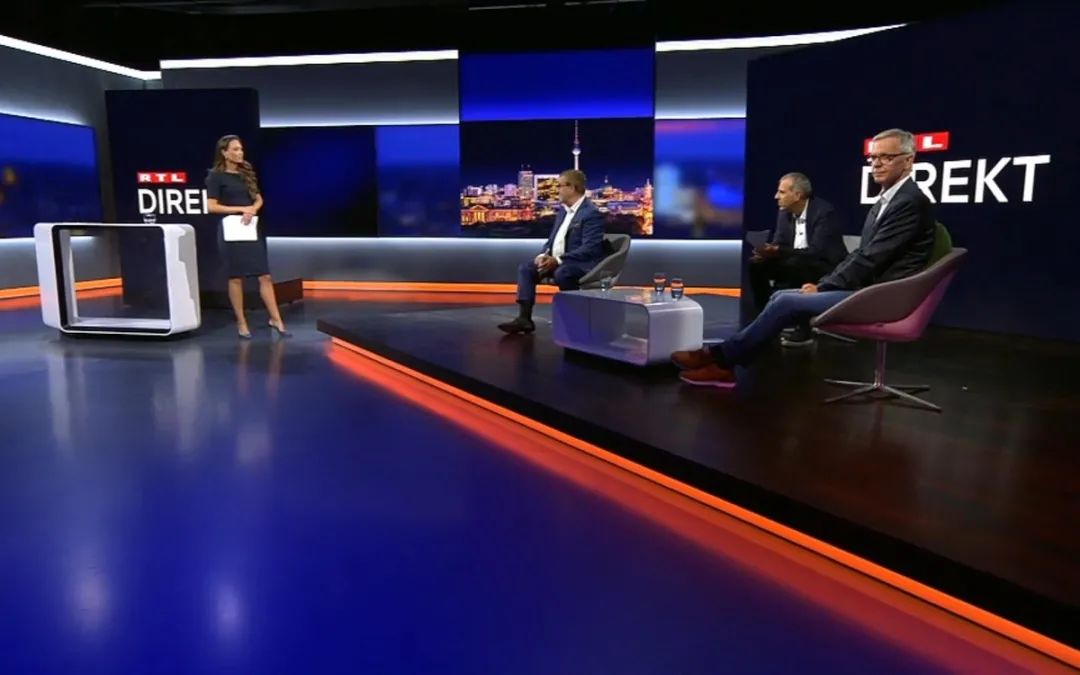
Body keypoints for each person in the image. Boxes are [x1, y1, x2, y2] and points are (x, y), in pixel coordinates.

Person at [673, 128, 936, 387]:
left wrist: (823, 286)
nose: (876, 164)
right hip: (867, 288)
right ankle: (726, 357)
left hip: (885, 296)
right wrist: (820, 282)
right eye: (873, 157)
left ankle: (721, 361)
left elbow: (869, 259)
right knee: (779, 296)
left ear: (908, 161)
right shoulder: (887, 200)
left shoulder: (909, 202)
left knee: (787, 301)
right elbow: (862, 253)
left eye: (886, 157)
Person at [498, 169, 605, 334]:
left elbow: (590, 248)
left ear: (572, 188)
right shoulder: (563, 211)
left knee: (563, 273)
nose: (557, 190)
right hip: (557, 261)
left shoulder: (591, 214)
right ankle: (524, 319)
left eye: (560, 186)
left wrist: (558, 260)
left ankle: (575, 319)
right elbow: (552, 240)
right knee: (526, 268)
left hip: (580, 264)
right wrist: (543, 255)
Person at [205, 134, 290, 339]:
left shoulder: (246, 173)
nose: (240, 152)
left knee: (265, 276)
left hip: (250, 228)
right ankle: (241, 322)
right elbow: (211, 206)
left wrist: (252, 209)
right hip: (231, 230)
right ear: (224, 153)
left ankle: (276, 319)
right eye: (235, 149)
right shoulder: (215, 176)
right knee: (236, 278)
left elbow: (259, 199)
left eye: (241, 149)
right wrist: (240, 209)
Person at [749, 173, 847, 346]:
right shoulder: (784, 212)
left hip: (827, 266)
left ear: (797, 195)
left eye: (782, 192)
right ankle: (766, 318)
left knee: (798, 264)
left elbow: (816, 251)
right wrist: (767, 252)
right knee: (756, 264)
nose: (776, 196)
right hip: (795, 261)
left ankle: (804, 328)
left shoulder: (824, 212)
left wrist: (779, 250)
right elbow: (780, 243)